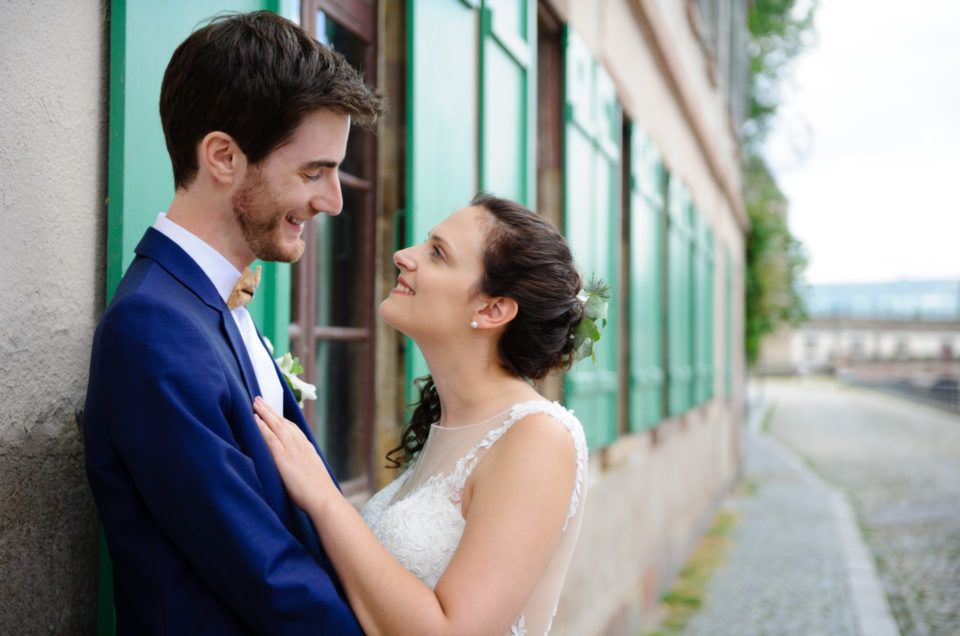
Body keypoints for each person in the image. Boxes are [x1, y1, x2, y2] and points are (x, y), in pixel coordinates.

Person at [83, 11, 382, 634]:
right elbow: (262, 572)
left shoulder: (210, 307)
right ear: (222, 156)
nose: (333, 201)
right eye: (313, 172)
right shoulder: (152, 327)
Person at [255, 193, 597, 635]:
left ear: (492, 309)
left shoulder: (538, 438)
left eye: (437, 253)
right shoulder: (452, 424)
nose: (403, 255)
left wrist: (324, 499)